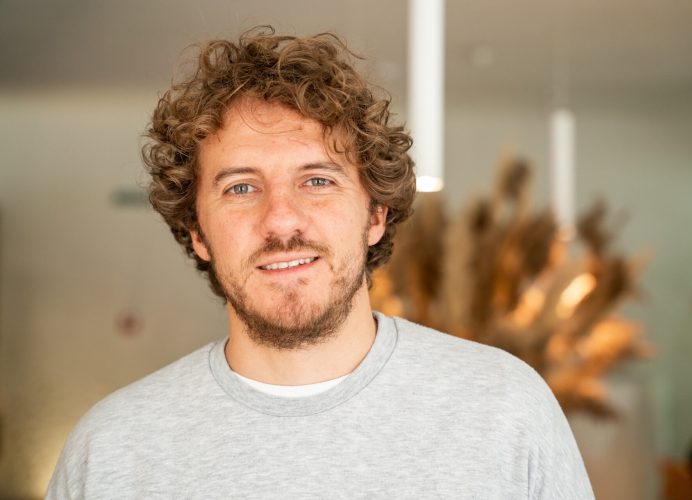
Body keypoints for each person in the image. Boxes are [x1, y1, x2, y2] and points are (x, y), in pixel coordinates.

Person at [46, 27, 594, 499]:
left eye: (317, 181)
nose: (281, 220)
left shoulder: (504, 410)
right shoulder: (113, 450)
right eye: (241, 188)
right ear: (197, 232)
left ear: (375, 213)